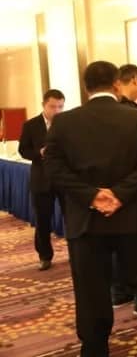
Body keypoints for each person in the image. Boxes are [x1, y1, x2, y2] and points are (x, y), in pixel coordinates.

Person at [44, 61, 137, 357]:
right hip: (131, 217)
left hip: (86, 221)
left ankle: (95, 347)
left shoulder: (64, 123)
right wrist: (120, 193)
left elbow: (52, 167)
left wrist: (92, 196)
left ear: (86, 87)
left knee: (91, 288)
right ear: (117, 84)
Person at [18, 89, 65, 270]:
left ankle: (76, 252)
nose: (56, 111)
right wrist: (39, 153)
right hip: (41, 180)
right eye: (52, 106)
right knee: (43, 220)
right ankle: (45, 256)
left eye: (60, 107)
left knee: (72, 218)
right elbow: (23, 150)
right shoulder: (31, 125)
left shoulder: (67, 123)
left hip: (64, 180)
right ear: (43, 105)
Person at [111, 63, 137, 308]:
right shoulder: (134, 115)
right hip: (133, 189)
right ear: (134, 80)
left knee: (116, 244)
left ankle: (119, 291)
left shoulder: (106, 112)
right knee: (135, 246)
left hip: (108, 191)